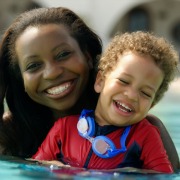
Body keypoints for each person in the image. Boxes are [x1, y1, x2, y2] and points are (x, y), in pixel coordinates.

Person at [32, 31, 178, 173]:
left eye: (145, 93)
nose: (132, 95)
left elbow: (163, 176)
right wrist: (53, 167)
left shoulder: (145, 136)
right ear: (100, 81)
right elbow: (34, 167)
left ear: (151, 105)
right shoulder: (64, 128)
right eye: (123, 81)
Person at [0, 7, 102, 157]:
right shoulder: (9, 137)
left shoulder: (140, 131)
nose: (52, 73)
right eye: (33, 65)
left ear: (87, 57)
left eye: (63, 54)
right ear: (21, 80)